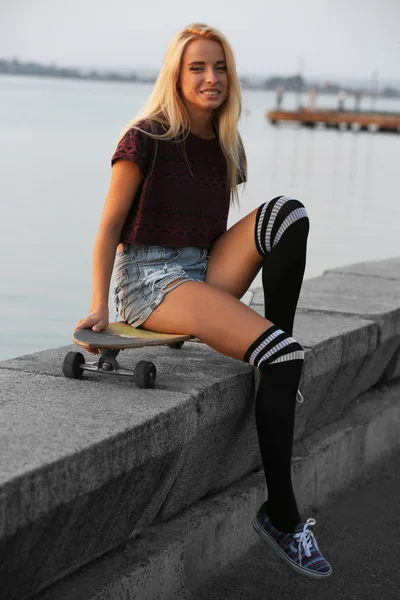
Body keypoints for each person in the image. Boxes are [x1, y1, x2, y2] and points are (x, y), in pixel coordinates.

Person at [75, 22, 332, 579]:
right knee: (284, 356)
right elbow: (107, 229)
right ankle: (282, 517)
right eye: (198, 67)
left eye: (220, 67)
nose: (211, 77)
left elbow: (217, 234)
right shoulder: (142, 139)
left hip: (203, 268)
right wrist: (99, 305)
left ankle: (275, 360)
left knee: (289, 213)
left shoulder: (225, 142)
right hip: (151, 283)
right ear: (177, 75)